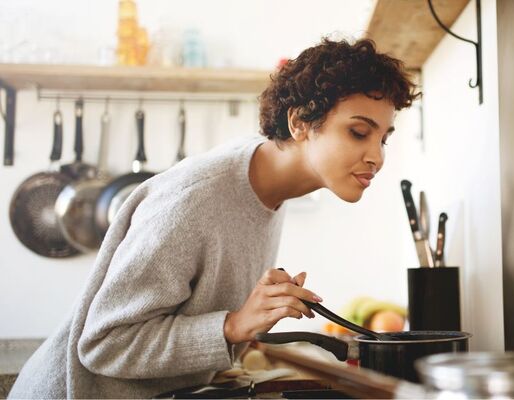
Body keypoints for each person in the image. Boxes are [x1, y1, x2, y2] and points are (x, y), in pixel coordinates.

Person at [9, 38, 418, 399]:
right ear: (299, 124)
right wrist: (233, 325)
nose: (377, 157)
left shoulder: (269, 185)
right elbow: (104, 344)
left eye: (384, 138)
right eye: (359, 132)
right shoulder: (195, 200)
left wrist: (247, 326)